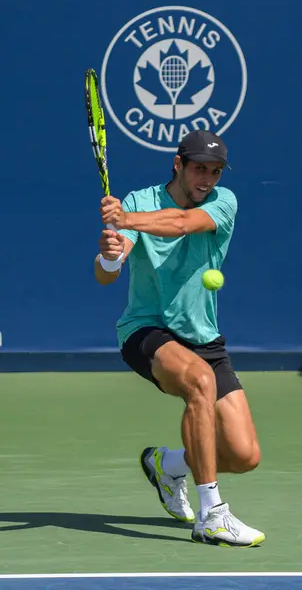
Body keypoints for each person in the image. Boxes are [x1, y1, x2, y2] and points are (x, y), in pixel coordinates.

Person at [94, 129, 264, 548]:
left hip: (203, 337)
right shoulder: (140, 200)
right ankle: (213, 515)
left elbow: (183, 223)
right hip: (146, 330)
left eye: (215, 171)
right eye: (199, 169)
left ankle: (168, 464)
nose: (207, 179)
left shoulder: (223, 203)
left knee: (244, 455)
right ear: (178, 164)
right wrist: (110, 255)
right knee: (200, 382)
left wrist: (126, 221)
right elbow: (105, 275)